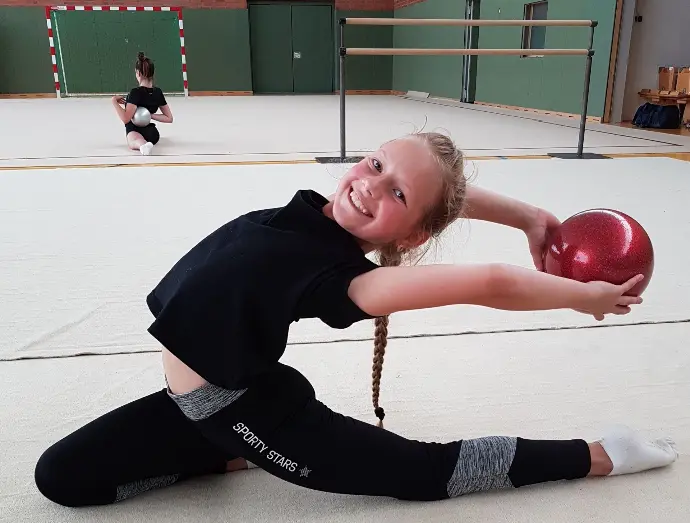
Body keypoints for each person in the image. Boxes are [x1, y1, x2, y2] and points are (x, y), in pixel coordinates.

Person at [34, 132, 677, 508]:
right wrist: (531, 217)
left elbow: (490, 281)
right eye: (376, 163)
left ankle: (601, 455)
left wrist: (582, 297)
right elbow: (443, 193)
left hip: (241, 408)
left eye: (396, 192)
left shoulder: (350, 282)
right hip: (219, 402)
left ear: (415, 232)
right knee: (61, 478)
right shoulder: (318, 213)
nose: (372, 183)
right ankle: (233, 456)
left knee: (423, 473)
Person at [111, 52, 173, 156]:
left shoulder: (135, 92)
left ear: (138, 73)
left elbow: (126, 119)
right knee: (144, 137)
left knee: (133, 141)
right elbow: (169, 118)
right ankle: (147, 144)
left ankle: (142, 145)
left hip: (135, 130)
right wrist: (150, 115)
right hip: (153, 134)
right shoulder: (157, 92)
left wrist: (114, 101)